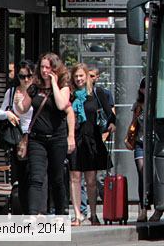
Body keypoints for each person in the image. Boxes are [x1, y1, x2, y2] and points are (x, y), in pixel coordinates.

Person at [14, 53, 74, 216]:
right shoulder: (34, 87)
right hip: (37, 138)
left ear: (55, 68)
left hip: (57, 138)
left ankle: (61, 213)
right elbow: (23, 109)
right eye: (42, 67)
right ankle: (33, 214)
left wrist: (54, 83)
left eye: (48, 67)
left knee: (57, 178)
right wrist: (18, 101)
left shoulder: (63, 87)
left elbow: (62, 105)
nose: (44, 70)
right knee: (36, 176)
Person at [68, 63, 115, 226]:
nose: (79, 79)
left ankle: (94, 214)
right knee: (74, 177)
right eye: (76, 76)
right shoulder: (70, 95)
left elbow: (110, 114)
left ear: (87, 76)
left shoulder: (97, 93)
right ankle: (77, 214)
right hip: (75, 138)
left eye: (81, 75)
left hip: (92, 139)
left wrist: (110, 127)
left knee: (91, 180)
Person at [0, 60, 35, 214]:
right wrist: (8, 113)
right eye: (22, 76)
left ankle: (34, 210)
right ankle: (23, 210)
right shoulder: (12, 92)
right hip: (17, 140)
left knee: (34, 174)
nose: (25, 80)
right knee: (19, 177)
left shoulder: (37, 92)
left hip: (34, 138)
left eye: (29, 76)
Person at [128, 78, 161, 223]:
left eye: (152, 87)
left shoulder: (160, 104)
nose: (148, 90)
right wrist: (129, 137)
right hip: (140, 143)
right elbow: (133, 123)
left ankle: (158, 209)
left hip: (156, 143)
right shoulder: (138, 106)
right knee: (142, 173)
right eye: (145, 88)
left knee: (155, 175)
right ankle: (142, 209)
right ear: (141, 90)